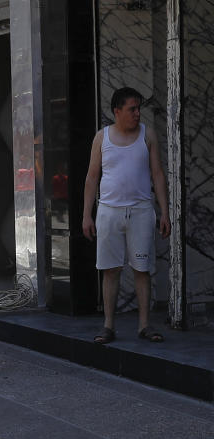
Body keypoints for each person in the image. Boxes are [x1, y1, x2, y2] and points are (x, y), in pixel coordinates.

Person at [82, 86, 170, 344]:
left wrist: (164, 212)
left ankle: (145, 325)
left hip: (141, 211)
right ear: (117, 111)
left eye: (138, 108)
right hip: (109, 212)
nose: (137, 113)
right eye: (132, 109)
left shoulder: (147, 135)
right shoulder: (102, 138)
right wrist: (87, 215)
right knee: (110, 270)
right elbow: (91, 177)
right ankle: (108, 326)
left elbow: (158, 175)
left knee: (142, 269)